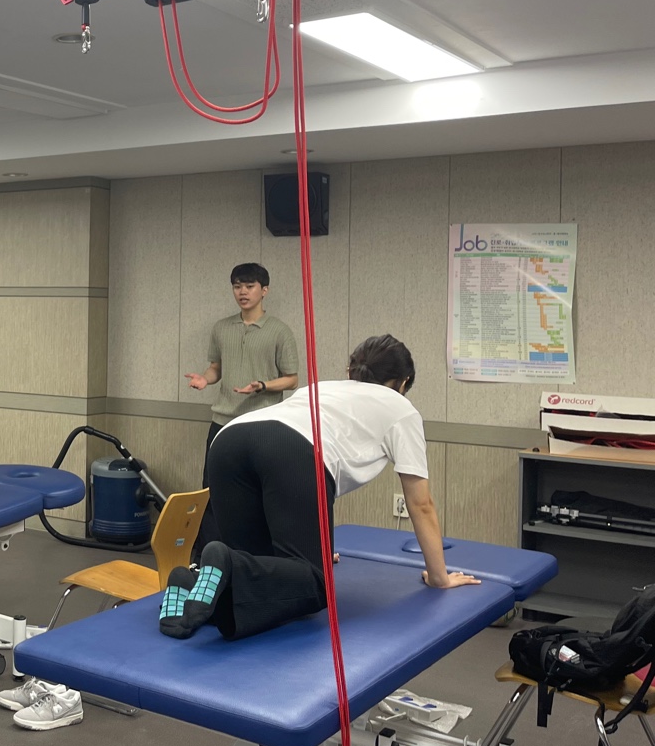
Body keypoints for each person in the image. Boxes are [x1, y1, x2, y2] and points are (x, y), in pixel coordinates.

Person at [160, 335, 481, 642]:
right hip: (291, 449)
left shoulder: (321, 388)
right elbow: (421, 503)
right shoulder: (401, 408)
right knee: (315, 585)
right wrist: (439, 578)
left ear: (350, 371)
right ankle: (224, 564)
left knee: (256, 576)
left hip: (227, 441)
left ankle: (191, 581)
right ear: (404, 382)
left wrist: (311, 544)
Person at [185, 262, 299, 549]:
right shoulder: (222, 328)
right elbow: (216, 368)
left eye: (249, 286)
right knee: (212, 490)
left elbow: (292, 379)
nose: (243, 292)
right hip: (222, 422)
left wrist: (262, 385)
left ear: (264, 290)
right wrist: (205, 379)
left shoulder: (280, 331)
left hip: (261, 424)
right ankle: (208, 556)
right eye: (237, 286)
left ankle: (257, 555)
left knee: (260, 491)